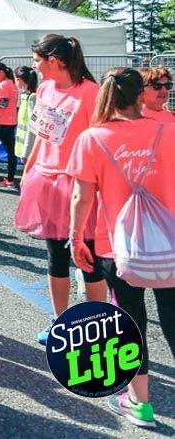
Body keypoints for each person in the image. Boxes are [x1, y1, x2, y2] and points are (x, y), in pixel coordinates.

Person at [67, 67, 175, 429]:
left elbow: (82, 195)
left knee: (130, 319)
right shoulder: (169, 127)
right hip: (169, 240)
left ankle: (140, 404)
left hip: (118, 244)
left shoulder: (92, 138)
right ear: (139, 94)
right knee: (174, 317)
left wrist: (75, 235)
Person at [15, 34, 106, 345]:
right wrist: (29, 168)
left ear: (54, 61)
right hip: (47, 179)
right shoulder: (44, 88)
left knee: (87, 256)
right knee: (55, 254)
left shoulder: (91, 92)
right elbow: (43, 133)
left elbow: (99, 140)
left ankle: (96, 326)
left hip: (79, 183)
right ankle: (60, 321)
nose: (34, 66)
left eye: (38, 60)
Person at [13, 66, 39, 163]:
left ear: (19, 80)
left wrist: (26, 152)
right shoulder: (25, 96)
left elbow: (32, 127)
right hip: (24, 148)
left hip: (30, 151)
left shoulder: (32, 98)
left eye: (16, 80)